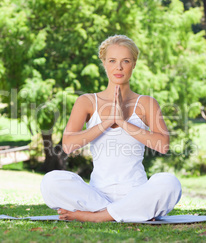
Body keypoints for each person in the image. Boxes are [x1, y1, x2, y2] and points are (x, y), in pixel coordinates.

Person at [40, 35, 182, 222]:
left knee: (170, 183)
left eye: (126, 61)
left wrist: (123, 122)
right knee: (50, 181)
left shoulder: (147, 103)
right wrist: (106, 122)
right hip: (97, 194)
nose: (119, 67)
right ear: (104, 63)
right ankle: (125, 213)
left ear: (134, 64)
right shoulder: (87, 102)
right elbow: (68, 145)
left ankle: (96, 217)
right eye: (112, 61)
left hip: (136, 191)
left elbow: (163, 145)